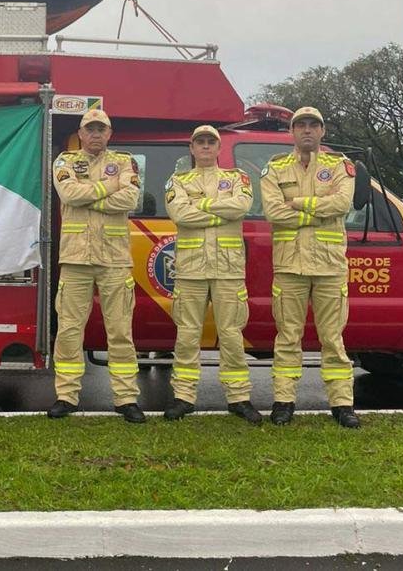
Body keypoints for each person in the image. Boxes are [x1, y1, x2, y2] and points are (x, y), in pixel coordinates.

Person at [261, 106, 359, 428]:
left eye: (312, 125)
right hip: (290, 266)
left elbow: (342, 204)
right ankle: (284, 401)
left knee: (333, 338)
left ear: (322, 131)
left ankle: (342, 405)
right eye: (300, 125)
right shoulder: (275, 168)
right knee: (288, 336)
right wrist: (319, 212)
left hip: (330, 267)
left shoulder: (339, 166)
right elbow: (274, 212)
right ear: (291, 132)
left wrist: (300, 203)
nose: (306, 130)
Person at [47, 108, 145, 422]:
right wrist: (107, 188)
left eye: (101, 129)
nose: (95, 135)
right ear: (81, 132)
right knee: (69, 331)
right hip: (76, 259)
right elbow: (70, 194)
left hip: (114, 260)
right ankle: (66, 396)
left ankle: (126, 399)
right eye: (90, 129)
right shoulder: (65, 161)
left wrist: (90, 195)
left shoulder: (125, 162)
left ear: (109, 133)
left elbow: (129, 199)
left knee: (120, 331)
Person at [163, 125, 262, 424]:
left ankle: (239, 398)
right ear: (192, 149)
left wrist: (200, 205)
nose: (205, 147)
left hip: (228, 270)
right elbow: (180, 214)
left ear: (219, 149)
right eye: (200, 143)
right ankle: (183, 397)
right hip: (191, 270)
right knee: (187, 335)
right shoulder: (177, 180)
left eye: (211, 142)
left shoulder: (237, 178)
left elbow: (241, 206)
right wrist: (220, 209)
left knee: (232, 335)